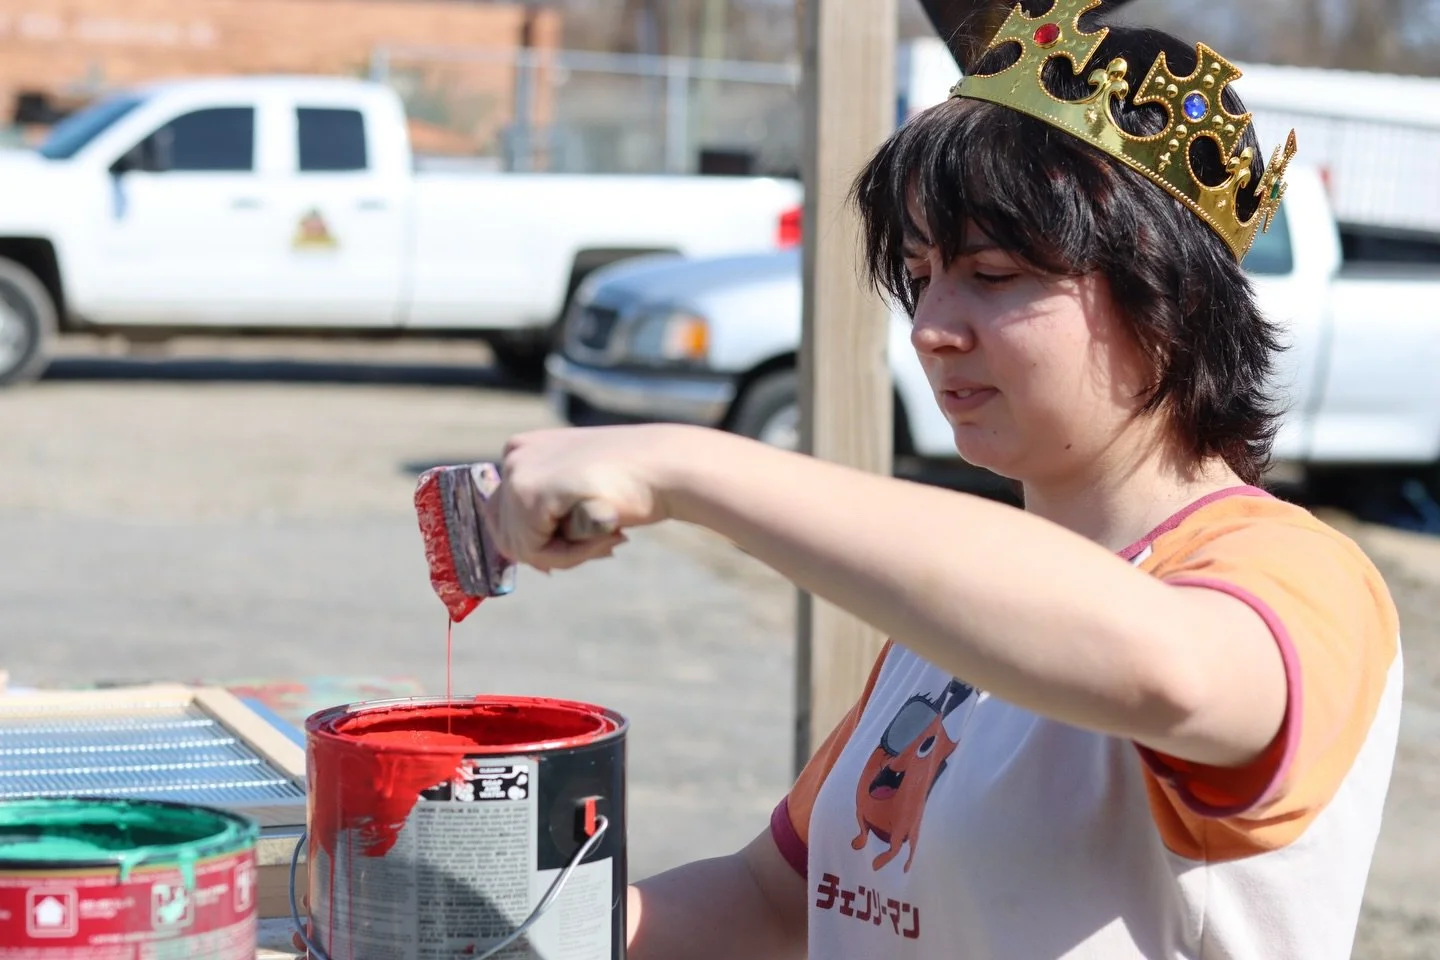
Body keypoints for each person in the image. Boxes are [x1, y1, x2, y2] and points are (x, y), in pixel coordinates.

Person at [482, 4, 1402, 958]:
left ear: (1172, 299)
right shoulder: (965, 608)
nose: (930, 324)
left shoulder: (1296, 577)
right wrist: (500, 933)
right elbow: (775, 895)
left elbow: (1170, 675)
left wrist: (682, 464)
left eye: (993, 274)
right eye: (920, 271)